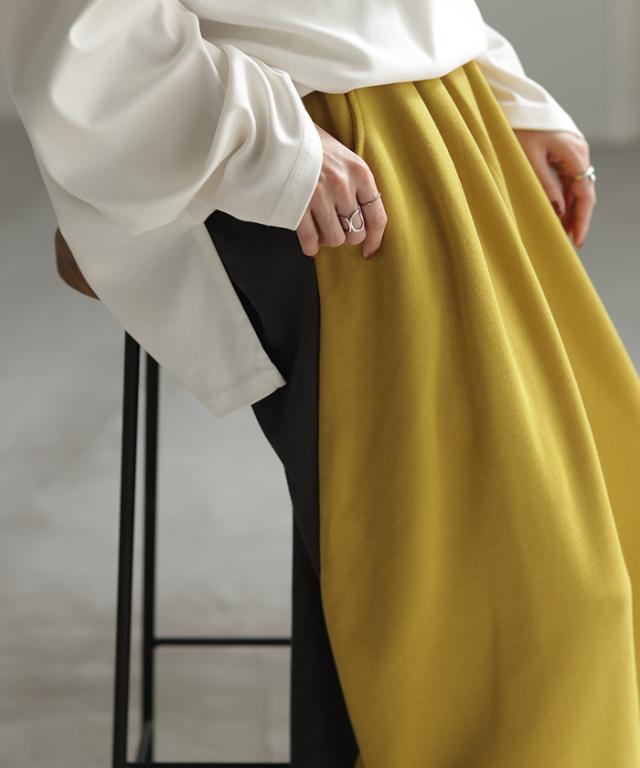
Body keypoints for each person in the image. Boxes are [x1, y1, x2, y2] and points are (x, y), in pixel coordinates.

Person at [2, 2, 639, 766]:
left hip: (438, 101)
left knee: (614, 520)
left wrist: (496, 82)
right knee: (534, 608)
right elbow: (77, 30)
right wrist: (271, 148)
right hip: (273, 120)